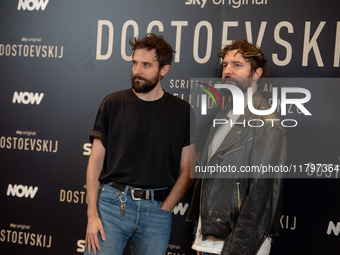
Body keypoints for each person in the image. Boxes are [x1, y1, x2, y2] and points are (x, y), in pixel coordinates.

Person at [84, 33, 194, 255]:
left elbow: (189, 169)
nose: (137, 71)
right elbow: (95, 163)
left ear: (164, 70)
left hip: (157, 212)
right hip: (111, 207)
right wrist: (92, 215)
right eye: (135, 63)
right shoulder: (113, 103)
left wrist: (166, 208)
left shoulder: (182, 111)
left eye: (146, 65)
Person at [187, 40, 287, 255]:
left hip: (236, 243)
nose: (228, 71)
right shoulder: (225, 113)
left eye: (237, 65)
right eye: (225, 65)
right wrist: (201, 233)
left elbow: (259, 194)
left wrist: (238, 247)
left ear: (256, 73)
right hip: (213, 238)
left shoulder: (266, 121)